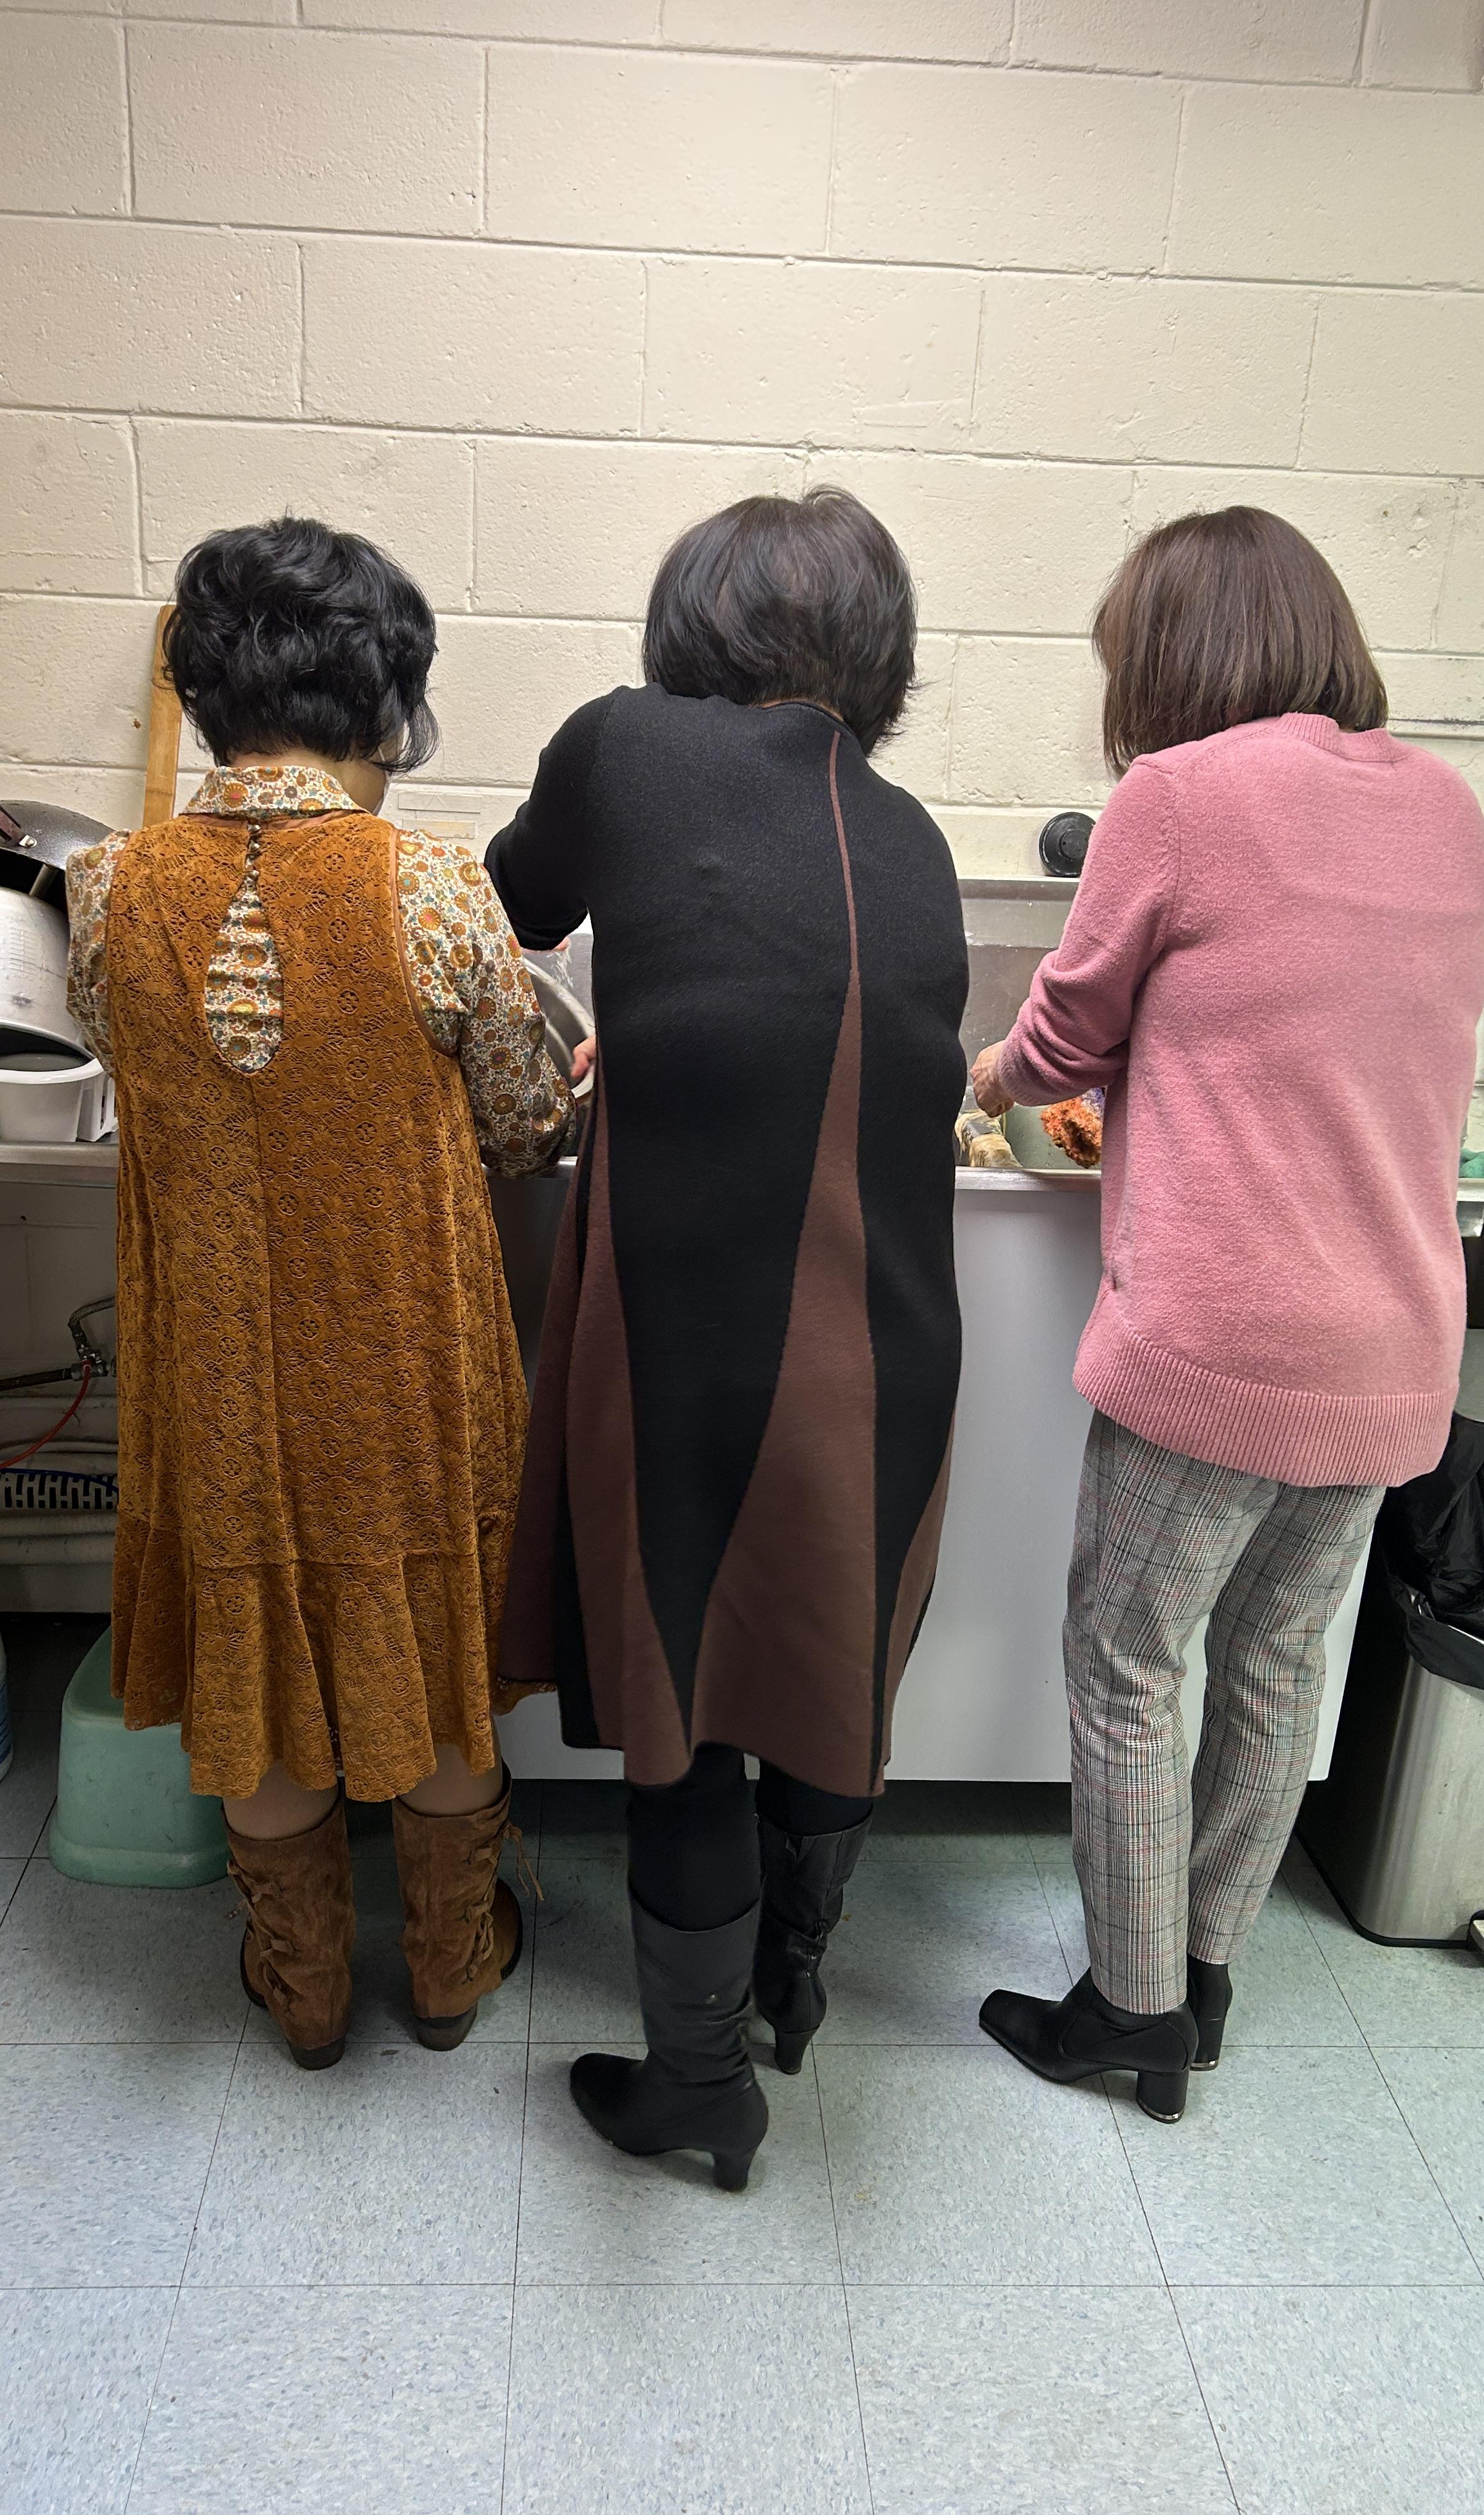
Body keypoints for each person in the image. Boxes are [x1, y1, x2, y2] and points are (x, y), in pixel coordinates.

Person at [971, 507, 1484, 2119]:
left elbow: (1066, 1035)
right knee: (1276, 1666)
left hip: (1226, 1341)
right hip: (1393, 1342)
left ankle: (1127, 2012)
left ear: (1175, 656)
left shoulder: (1179, 797)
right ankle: (1199, 1981)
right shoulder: (1450, 811)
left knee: (1127, 1661)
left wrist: (987, 1079)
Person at [485, 488, 968, 2189]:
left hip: (693, 1335)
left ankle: (699, 2087)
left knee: (683, 1705)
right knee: (829, 1675)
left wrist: (641, 1022)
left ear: (689, 626)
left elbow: (507, 910)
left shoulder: (622, 747)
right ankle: (792, 1985)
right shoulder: (914, 836)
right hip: (896, 1351)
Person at [64, 516, 574, 2069]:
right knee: (439, 1669)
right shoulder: (433, 889)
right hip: (406, 1368)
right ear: (383, 704)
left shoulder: (101, 891)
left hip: (214, 1370)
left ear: (208, 695)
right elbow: (523, 1122)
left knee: (259, 1671)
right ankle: (449, 1967)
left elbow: (134, 1074)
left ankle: (301, 1989)